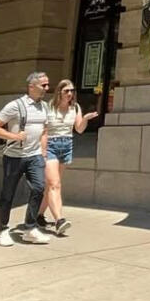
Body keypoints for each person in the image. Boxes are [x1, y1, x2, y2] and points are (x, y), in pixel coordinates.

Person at [0, 72, 50, 246]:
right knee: (8, 193)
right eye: (43, 85)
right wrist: (14, 136)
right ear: (31, 86)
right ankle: (3, 229)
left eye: (47, 85)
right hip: (14, 157)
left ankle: (30, 228)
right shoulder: (15, 106)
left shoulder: (45, 107)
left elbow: (45, 130)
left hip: (35, 156)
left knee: (39, 188)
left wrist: (43, 153)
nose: (47, 88)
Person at [37, 79, 99, 237]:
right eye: (66, 91)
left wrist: (85, 119)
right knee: (54, 184)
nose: (70, 94)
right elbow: (43, 131)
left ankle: (38, 216)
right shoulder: (48, 107)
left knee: (52, 185)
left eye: (72, 91)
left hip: (66, 146)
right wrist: (43, 153)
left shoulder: (75, 107)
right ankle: (59, 220)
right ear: (59, 92)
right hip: (50, 145)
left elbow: (78, 129)